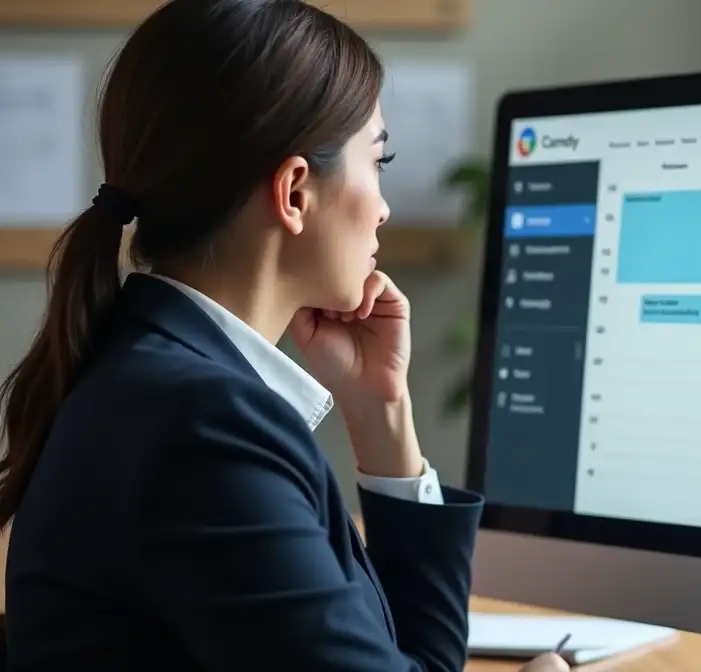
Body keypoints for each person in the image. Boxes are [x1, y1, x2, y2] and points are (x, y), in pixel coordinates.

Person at [0, 1, 567, 671]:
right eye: (378, 160)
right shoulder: (203, 425)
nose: (384, 208)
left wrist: (381, 409)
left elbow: (411, 661)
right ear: (295, 191)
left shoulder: (147, 375)